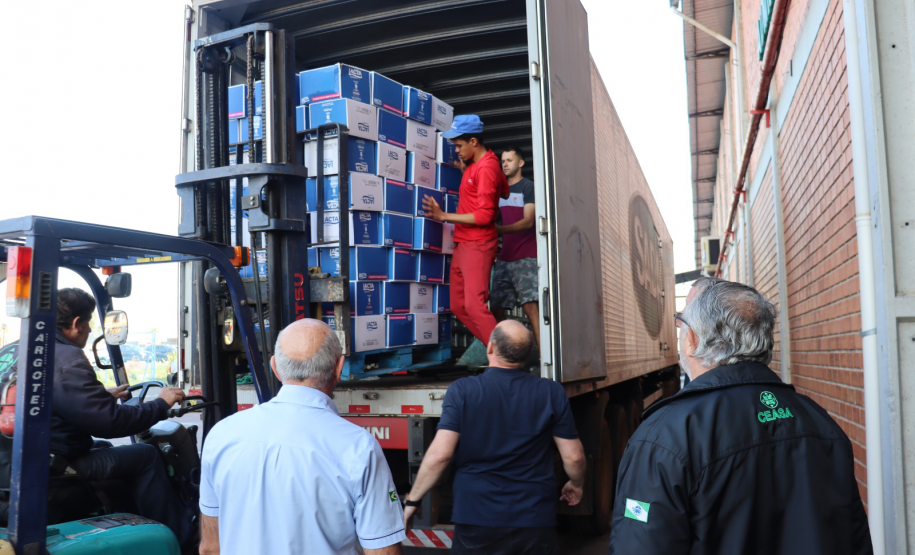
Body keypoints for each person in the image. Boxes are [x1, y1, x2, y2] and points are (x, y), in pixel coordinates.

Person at [608, 278, 872, 554]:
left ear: (693, 339)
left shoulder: (665, 437)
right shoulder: (818, 420)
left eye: (681, 323)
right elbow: (854, 540)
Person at [198, 319, 405, 555]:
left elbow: (210, 548)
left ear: (275, 368)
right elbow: (383, 552)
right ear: (339, 368)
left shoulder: (221, 436)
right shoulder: (357, 447)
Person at [403, 320, 586, 555]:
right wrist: (577, 484)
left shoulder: (463, 391)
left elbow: (440, 455)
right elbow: (574, 456)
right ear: (529, 354)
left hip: (476, 518)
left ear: (490, 347)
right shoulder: (550, 392)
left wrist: (413, 500)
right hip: (534, 519)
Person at [50, 288, 192, 545]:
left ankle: (130, 521)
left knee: (103, 448)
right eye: (89, 322)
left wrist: (100, 395)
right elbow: (111, 423)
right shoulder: (68, 359)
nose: (90, 330)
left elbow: (51, 398)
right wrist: (160, 403)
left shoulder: (16, 351)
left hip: (30, 457)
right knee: (145, 456)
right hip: (56, 463)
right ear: (75, 324)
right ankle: (179, 539)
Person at [422, 115, 509, 345]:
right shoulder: (476, 166)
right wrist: (468, 174)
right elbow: (506, 191)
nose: (457, 151)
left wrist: (443, 216)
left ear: (473, 141)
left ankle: (506, 360)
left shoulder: (487, 167)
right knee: (459, 306)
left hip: (478, 244)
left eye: (459, 145)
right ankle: (496, 352)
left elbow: (485, 215)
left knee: (474, 306)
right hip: (463, 243)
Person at [491, 146, 540, 351]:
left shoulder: (528, 187)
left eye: (509, 160)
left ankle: (545, 358)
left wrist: (500, 230)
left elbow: (529, 222)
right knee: (496, 310)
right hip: (504, 258)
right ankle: (501, 357)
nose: (505, 164)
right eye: (503, 161)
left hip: (526, 257)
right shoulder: (499, 191)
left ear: (520, 163)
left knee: (531, 308)